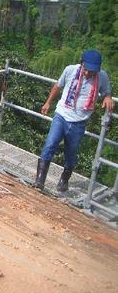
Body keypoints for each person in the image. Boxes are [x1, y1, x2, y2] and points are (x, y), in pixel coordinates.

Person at [35, 49, 114, 192]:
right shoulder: (70, 70)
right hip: (62, 114)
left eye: (92, 71)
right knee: (50, 144)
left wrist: (107, 96)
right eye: (86, 69)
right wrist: (48, 103)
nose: (88, 73)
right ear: (81, 63)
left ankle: (64, 179)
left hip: (79, 121)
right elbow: (57, 86)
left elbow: (106, 92)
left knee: (71, 153)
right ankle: (39, 180)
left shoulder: (102, 77)